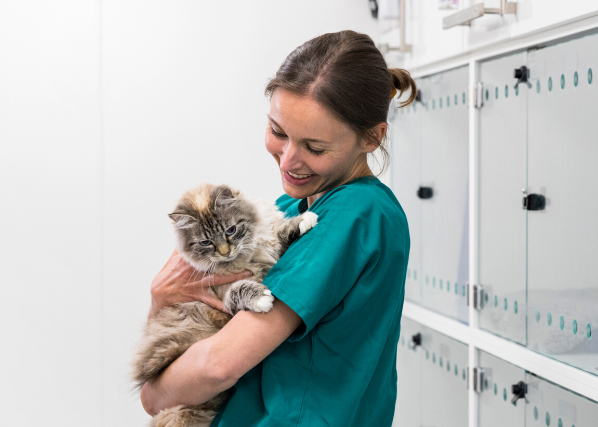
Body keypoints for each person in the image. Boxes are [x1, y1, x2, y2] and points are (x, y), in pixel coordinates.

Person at [140, 30, 416, 426]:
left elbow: (216, 367)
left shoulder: (358, 213)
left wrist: (154, 392)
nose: (288, 161)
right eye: (278, 132)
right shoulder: (290, 207)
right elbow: (182, 327)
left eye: (315, 148)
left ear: (372, 137)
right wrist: (160, 299)